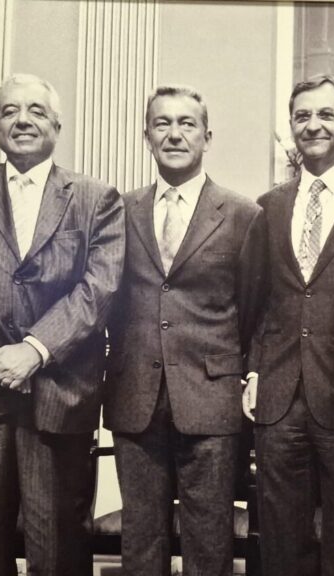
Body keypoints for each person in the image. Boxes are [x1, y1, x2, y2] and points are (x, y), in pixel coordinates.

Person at [0, 73, 125, 576]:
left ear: (57, 125)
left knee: (57, 544)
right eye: (11, 111)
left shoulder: (95, 197)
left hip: (59, 395)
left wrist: (34, 349)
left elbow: (98, 289)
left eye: (37, 111)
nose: (23, 120)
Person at [103, 85, 261, 576]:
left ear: (206, 136)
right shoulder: (119, 209)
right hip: (136, 393)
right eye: (163, 123)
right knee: (141, 536)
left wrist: (246, 377)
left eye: (186, 123)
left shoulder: (241, 214)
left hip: (210, 396)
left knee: (208, 537)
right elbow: (105, 299)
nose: (174, 133)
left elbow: (254, 309)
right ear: (146, 135)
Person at [242, 74, 334, 576]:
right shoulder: (271, 205)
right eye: (302, 116)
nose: (313, 125)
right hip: (279, 398)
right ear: (291, 127)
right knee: (281, 539)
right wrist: (257, 371)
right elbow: (260, 304)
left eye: (326, 115)